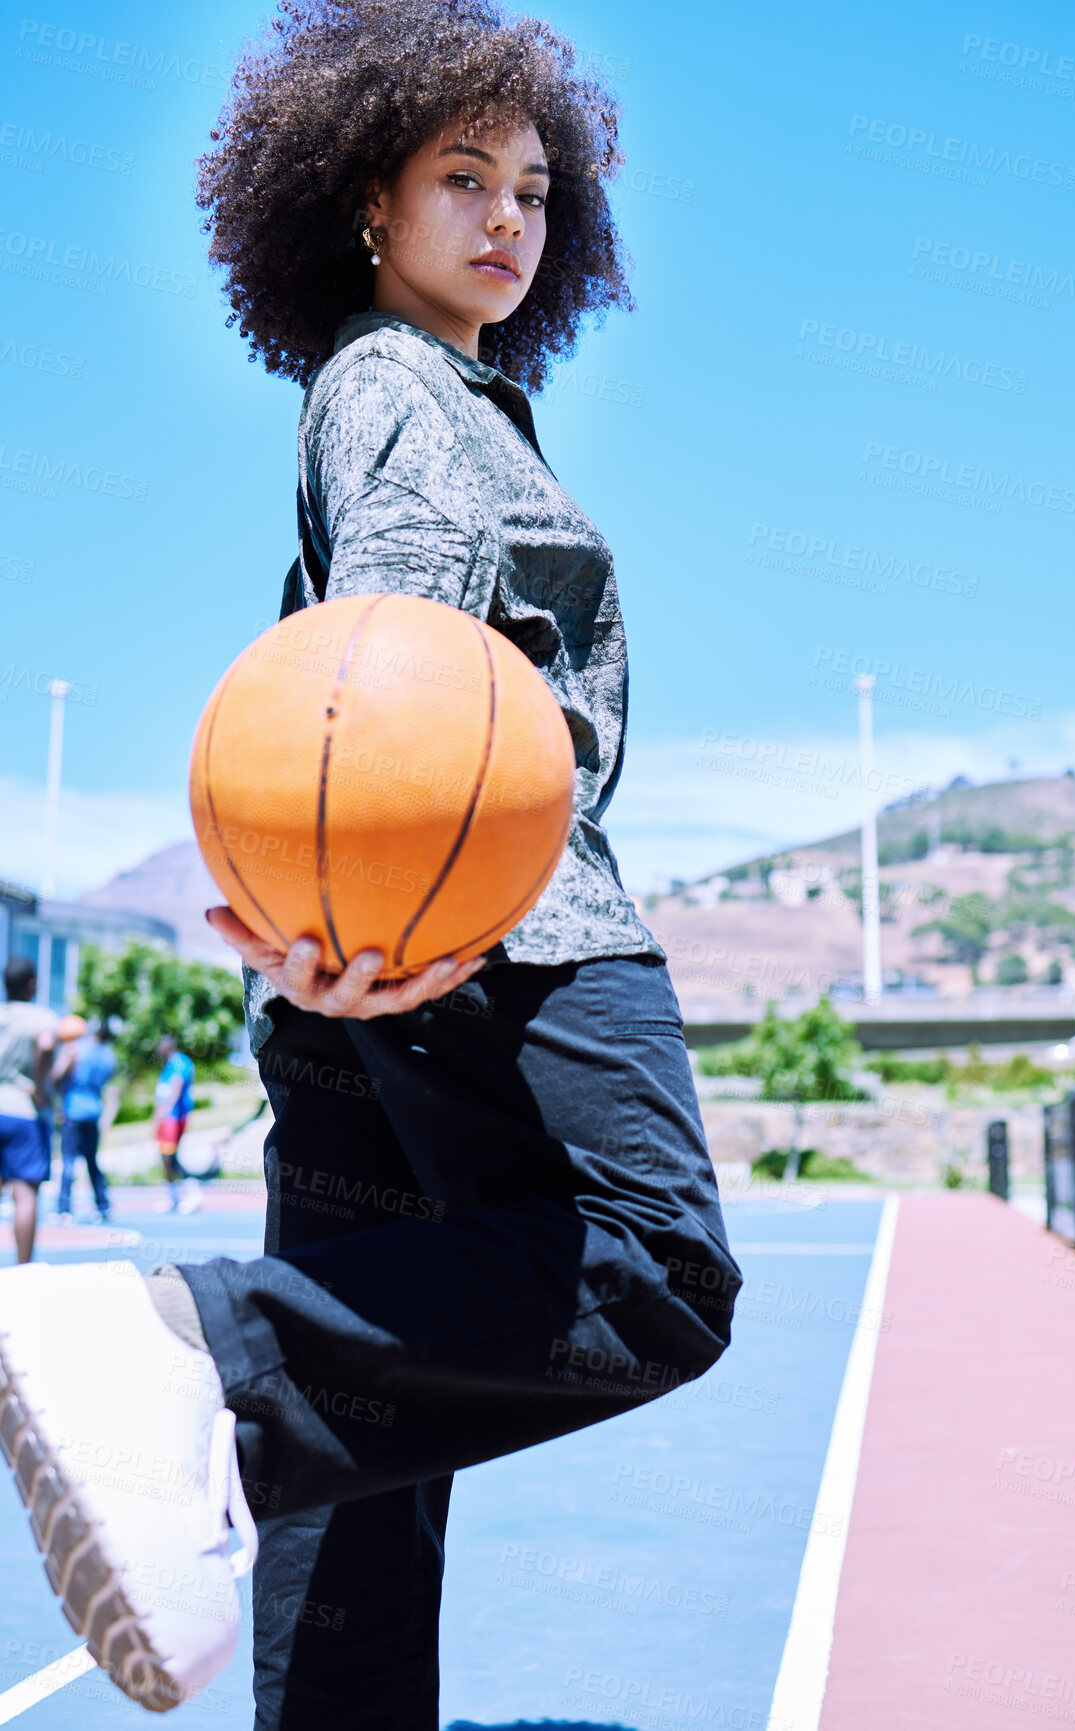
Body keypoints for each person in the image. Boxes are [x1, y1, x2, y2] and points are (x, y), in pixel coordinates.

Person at [0, 2, 741, 1719]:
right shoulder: (402, 389)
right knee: (655, 1261)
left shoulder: (424, 389)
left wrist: (324, 939)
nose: (507, 218)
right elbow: (388, 648)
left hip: (376, 951)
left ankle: (228, 1425)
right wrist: (388, 908)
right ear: (361, 199)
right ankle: (182, 1345)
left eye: (537, 190)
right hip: (494, 926)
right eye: (461, 176)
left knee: (376, 1453)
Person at [0, 956, 57, 1262]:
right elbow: (47, 1045)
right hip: (21, 1111)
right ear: (32, 985)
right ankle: (23, 1269)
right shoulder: (41, 1017)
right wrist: (38, 1086)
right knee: (24, 1193)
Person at [54, 1018, 119, 1224]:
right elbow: (107, 1083)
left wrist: (57, 1091)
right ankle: (103, 1205)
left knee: (69, 1161)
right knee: (92, 1161)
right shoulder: (109, 1057)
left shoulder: (76, 1049)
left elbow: (57, 1075)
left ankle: (64, 1209)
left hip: (73, 1111)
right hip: (93, 1112)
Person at [153, 1035, 200, 1213]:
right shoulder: (170, 1064)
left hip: (173, 1118)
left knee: (169, 1157)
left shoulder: (179, 1063)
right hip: (168, 1118)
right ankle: (173, 1196)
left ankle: (192, 1192)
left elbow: (174, 1091)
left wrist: (161, 1115)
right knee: (167, 1157)